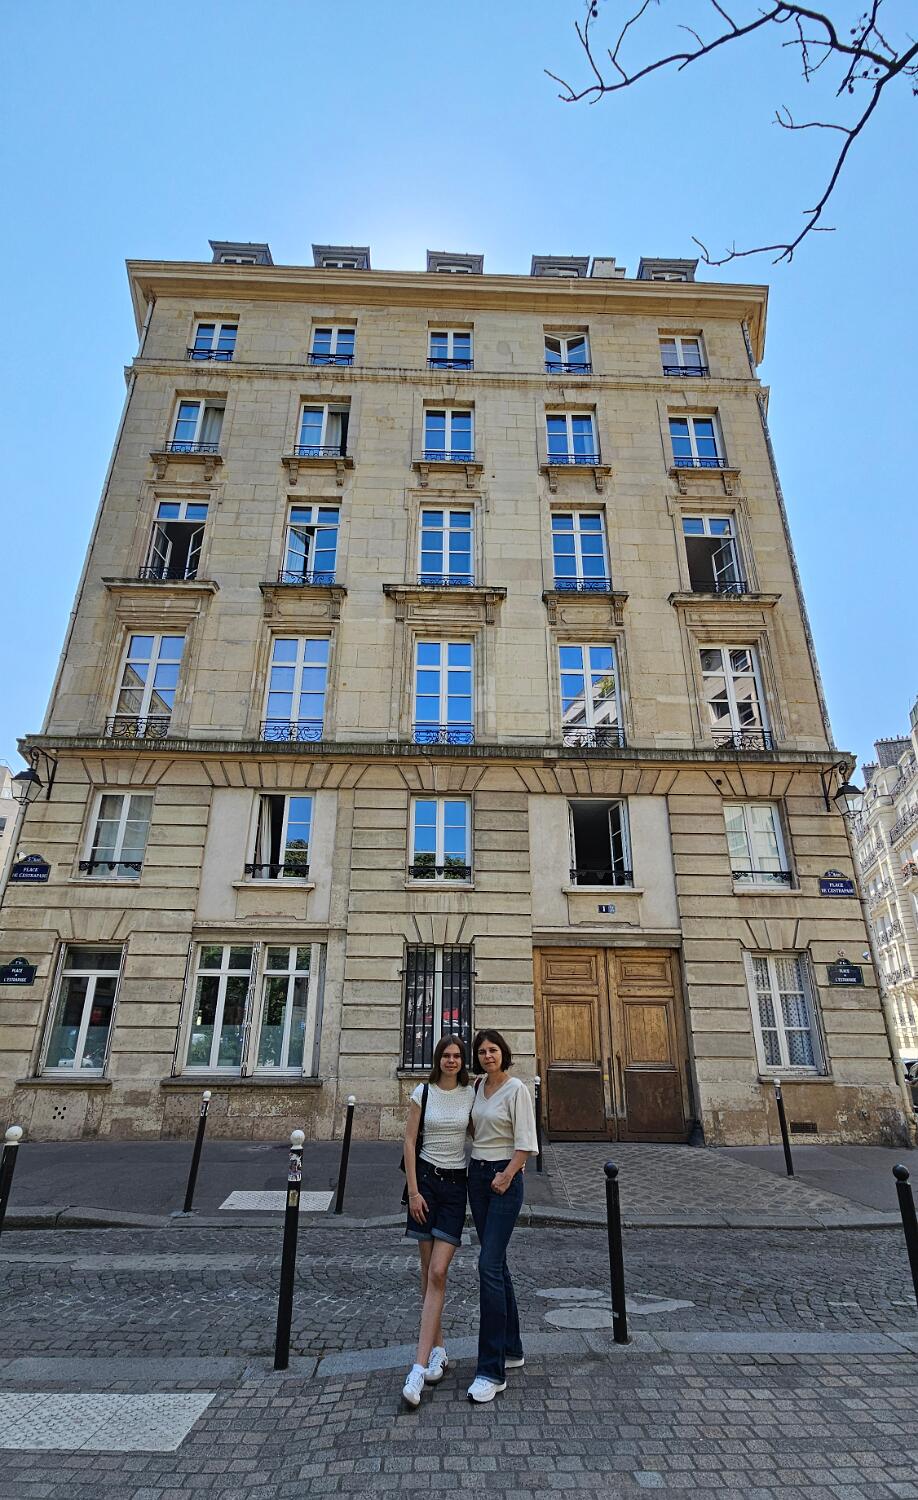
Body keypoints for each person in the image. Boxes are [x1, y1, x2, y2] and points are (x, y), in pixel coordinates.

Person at [400, 1034, 476, 1408]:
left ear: (463, 1061)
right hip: (426, 1185)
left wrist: (516, 1158)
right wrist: (414, 1192)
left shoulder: (470, 1094)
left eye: (457, 1055)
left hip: (455, 1186)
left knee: (438, 1271)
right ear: (437, 1059)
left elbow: (483, 1131)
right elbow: (409, 1141)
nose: (451, 1060)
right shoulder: (423, 1092)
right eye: (446, 1055)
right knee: (428, 1272)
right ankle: (438, 1350)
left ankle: (417, 1367)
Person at [466, 1027, 538, 1404]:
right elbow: (473, 1131)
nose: (488, 1056)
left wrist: (507, 1175)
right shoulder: (478, 1086)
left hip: (504, 1179)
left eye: (493, 1050)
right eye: (482, 1051)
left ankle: (491, 1371)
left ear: (503, 1053)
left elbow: (526, 1143)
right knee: (498, 1265)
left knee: (488, 1265)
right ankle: (512, 1348)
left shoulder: (517, 1089)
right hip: (477, 1176)